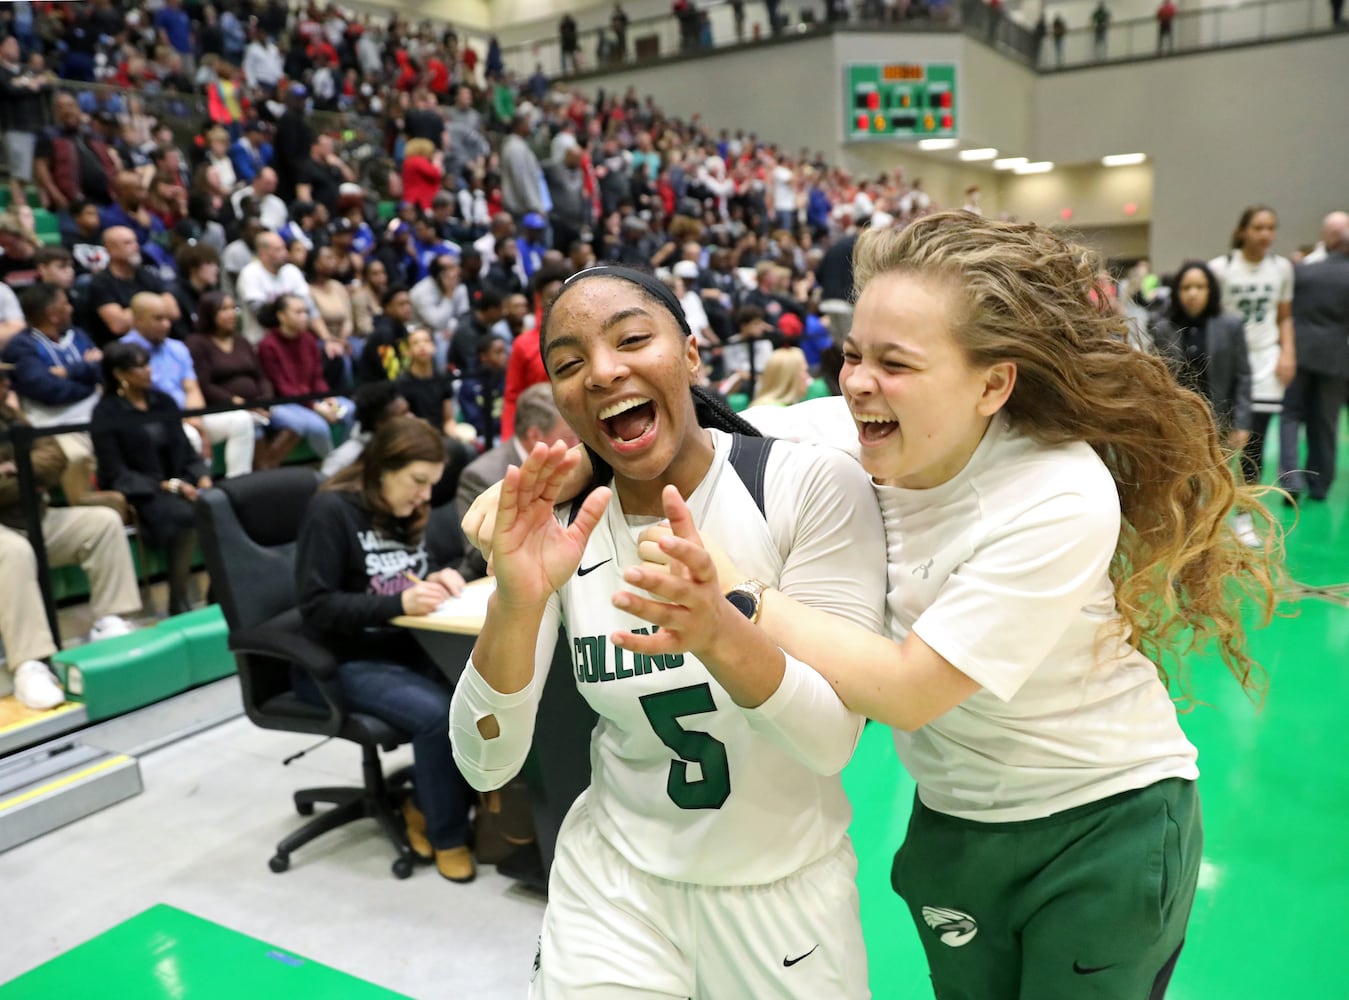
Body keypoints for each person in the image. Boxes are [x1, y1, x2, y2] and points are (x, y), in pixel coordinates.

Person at [607, 214, 1281, 1000]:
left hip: (1101, 821)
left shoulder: (1055, 493)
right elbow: (685, 447)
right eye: (854, 355)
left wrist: (741, 598)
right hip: (954, 818)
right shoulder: (841, 434)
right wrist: (537, 497)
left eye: (894, 363)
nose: (858, 383)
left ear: (992, 384)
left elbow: (908, 687)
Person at [449, 266, 886, 998]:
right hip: (613, 884)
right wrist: (516, 603)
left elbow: (829, 741)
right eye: (568, 363)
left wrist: (719, 629)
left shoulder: (803, 486)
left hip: (778, 891)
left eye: (631, 339)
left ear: (688, 354)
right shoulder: (565, 527)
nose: (602, 371)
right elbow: (484, 766)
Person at [296, 416, 477, 882]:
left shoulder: (403, 508)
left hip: (402, 644)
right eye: (417, 482)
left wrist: (437, 576)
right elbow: (317, 606)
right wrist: (396, 602)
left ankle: (428, 801)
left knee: (477, 686)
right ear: (381, 468)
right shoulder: (332, 512)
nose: (425, 496)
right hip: (341, 660)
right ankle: (447, 834)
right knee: (438, 714)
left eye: (432, 485)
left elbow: (411, 567)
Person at [0, 374, 139, 710]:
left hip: (34, 516)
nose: (6, 383)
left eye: (6, 376)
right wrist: (29, 477)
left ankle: (112, 620)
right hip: (8, 528)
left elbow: (55, 456)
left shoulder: (9, 414)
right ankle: (30, 664)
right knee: (13, 553)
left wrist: (13, 471)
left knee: (102, 523)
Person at [92, 340, 210, 616]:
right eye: (139, 366)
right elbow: (114, 472)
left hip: (181, 484)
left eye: (147, 364)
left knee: (220, 503)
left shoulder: (163, 401)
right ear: (120, 374)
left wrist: (202, 477)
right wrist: (167, 486)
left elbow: (187, 451)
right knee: (185, 516)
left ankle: (219, 589)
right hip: (143, 493)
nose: (148, 370)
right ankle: (178, 598)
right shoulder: (106, 413)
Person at [1209, 206, 1295, 544]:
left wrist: (1288, 351)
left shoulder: (1281, 268)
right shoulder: (1222, 268)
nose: (1266, 234)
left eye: (1271, 227)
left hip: (1265, 362)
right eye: (1258, 227)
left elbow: (1284, 316)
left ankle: (1244, 516)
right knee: (1219, 441)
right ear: (1242, 230)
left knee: (1255, 444)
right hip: (1228, 365)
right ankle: (1211, 511)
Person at [123, 292, 256, 478]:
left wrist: (195, 419)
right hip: (157, 422)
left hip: (191, 416)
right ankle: (199, 491)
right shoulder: (125, 353)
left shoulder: (177, 348)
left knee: (241, 420)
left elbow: (192, 388)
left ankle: (239, 483)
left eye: (167, 319)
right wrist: (191, 423)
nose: (166, 324)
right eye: (158, 319)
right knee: (190, 436)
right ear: (138, 321)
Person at [453, 382, 575, 581]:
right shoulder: (482, 475)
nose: (576, 445)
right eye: (569, 437)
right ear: (535, 436)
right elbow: (477, 552)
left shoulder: (576, 467)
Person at [4, 283, 104, 504]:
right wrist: (88, 381)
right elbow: (47, 390)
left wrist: (69, 371)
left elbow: (103, 369)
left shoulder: (77, 334)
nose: (70, 308)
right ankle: (83, 509)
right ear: (52, 314)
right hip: (55, 425)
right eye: (65, 304)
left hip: (98, 416)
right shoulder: (21, 346)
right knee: (74, 457)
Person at [1277, 213, 1349, 502]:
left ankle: (1290, 479)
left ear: (1327, 238)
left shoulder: (1302, 271)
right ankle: (1320, 485)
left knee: (1290, 415)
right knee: (1326, 422)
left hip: (1299, 353)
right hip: (1335, 359)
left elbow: (1286, 313)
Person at [1150, 261, 1253, 460]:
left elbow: (1243, 377)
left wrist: (1241, 424)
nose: (1193, 293)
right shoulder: (1163, 328)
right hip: (1176, 424)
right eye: (1186, 287)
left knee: (1216, 482)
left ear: (1210, 290)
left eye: (1200, 287)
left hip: (1220, 422)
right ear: (1176, 292)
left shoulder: (1230, 325)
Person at [256, 294, 353, 459]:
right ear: (281, 316)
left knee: (350, 409)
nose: (304, 317)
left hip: (312, 398)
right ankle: (332, 464)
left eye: (305, 312)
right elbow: (282, 387)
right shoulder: (268, 345)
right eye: (298, 312)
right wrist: (314, 407)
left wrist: (327, 397)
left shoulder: (309, 340)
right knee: (318, 426)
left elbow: (317, 376)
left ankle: (344, 457)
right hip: (284, 403)